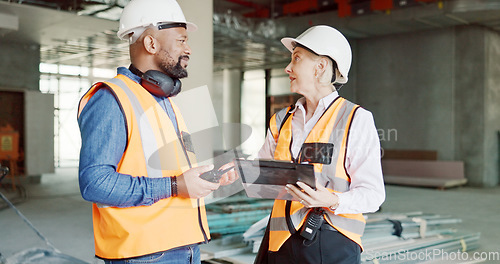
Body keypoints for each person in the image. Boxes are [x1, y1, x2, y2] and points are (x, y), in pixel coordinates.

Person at [77, 0, 237, 263]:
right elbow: (95, 183)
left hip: (185, 247)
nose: (188, 49)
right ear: (151, 44)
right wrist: (175, 186)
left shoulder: (166, 101)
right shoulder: (112, 99)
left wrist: (208, 177)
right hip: (145, 254)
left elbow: (169, 172)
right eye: (181, 41)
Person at [255, 25, 385, 264]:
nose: (287, 68)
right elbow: (261, 175)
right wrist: (232, 173)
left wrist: (333, 200)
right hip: (280, 243)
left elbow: (374, 195)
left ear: (320, 67)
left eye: (296, 59)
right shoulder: (281, 120)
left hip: (333, 244)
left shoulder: (355, 119)